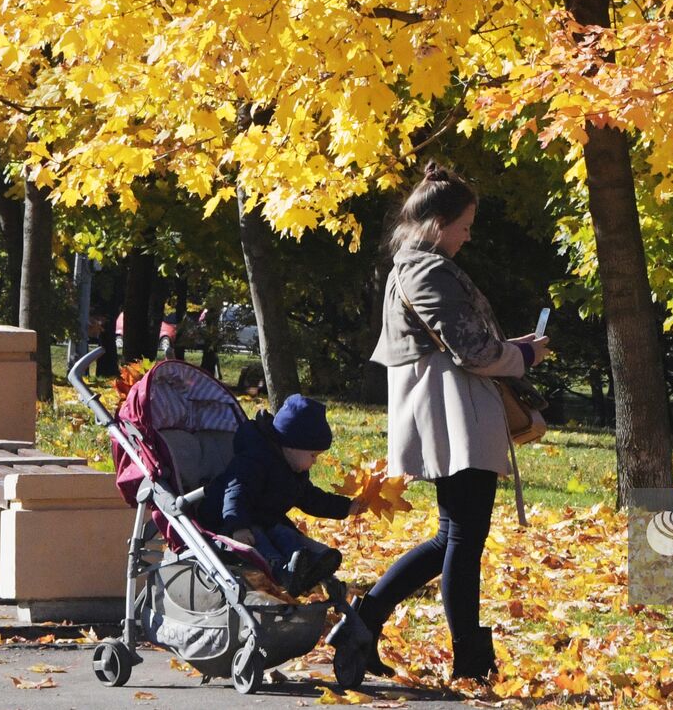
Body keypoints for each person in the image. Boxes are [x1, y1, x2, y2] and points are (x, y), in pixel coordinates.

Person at [333, 161, 549, 688]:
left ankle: (366, 621)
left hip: (449, 412)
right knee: (463, 541)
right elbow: (472, 352)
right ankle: (469, 661)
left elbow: (462, 346)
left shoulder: (412, 268)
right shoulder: (427, 271)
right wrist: (523, 356)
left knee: (452, 537)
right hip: (454, 416)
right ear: (437, 224)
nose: (468, 235)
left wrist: (511, 349)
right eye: (465, 225)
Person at [198, 393, 366, 597]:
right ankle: (283, 571)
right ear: (291, 446)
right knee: (260, 541)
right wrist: (238, 526)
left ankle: (309, 563)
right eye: (313, 455)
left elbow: (312, 499)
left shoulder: (293, 471)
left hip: (266, 520)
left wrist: (346, 507)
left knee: (286, 534)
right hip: (229, 522)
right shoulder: (254, 460)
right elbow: (235, 493)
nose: (315, 461)